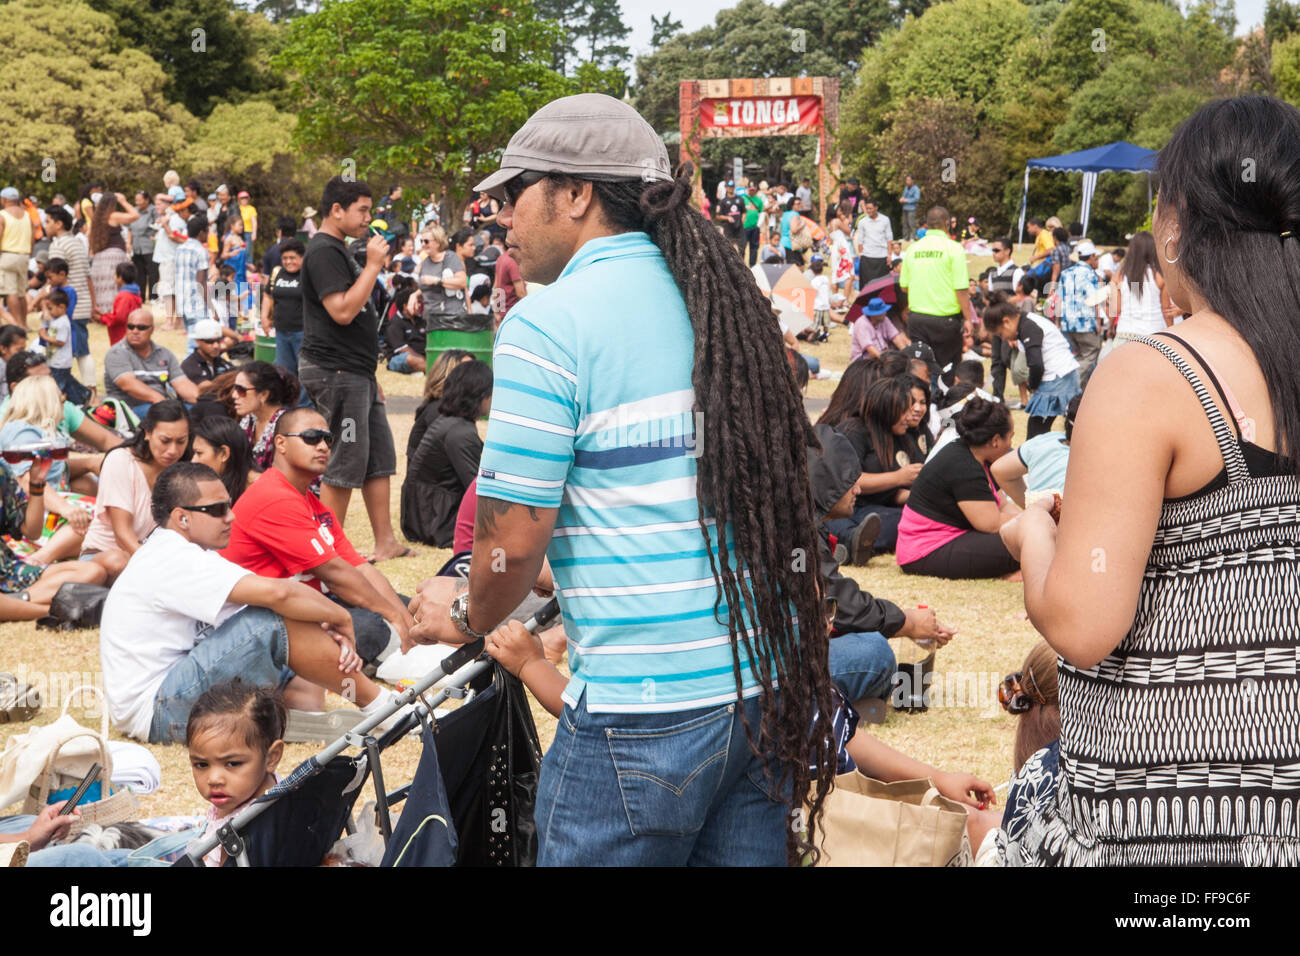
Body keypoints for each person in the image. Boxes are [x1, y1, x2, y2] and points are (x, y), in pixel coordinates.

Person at [405, 95, 838, 866]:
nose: (500, 215)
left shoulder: (547, 322)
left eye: (514, 194)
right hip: (757, 694)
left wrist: (470, 610)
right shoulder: (720, 299)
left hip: (641, 720)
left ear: (576, 194)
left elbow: (510, 535)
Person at [996, 96, 1300, 865]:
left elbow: (1082, 625)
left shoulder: (1155, 371)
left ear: (1175, 220)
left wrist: (1036, 534)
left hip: (1173, 815)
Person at [100, 462, 404, 745]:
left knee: (285, 623)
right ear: (182, 517)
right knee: (272, 620)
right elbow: (279, 595)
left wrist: (323, 619)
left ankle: (295, 714)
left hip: (173, 694)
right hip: (162, 711)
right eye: (218, 510)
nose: (231, 517)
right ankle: (384, 709)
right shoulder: (172, 556)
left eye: (229, 506)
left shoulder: (185, 552)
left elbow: (280, 599)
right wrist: (341, 617)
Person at [221, 407, 415, 668]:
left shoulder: (311, 502)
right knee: (372, 627)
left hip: (311, 605)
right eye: (311, 437)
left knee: (413, 607)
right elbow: (337, 575)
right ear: (281, 443)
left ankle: (407, 649)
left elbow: (359, 568)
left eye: (328, 439)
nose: (323, 446)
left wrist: (406, 620)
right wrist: (394, 618)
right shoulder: (272, 497)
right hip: (267, 619)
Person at [298, 176, 410, 563]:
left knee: (378, 456)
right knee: (345, 458)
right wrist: (374, 266)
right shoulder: (323, 251)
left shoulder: (339, 249)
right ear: (336, 210)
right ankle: (330, 551)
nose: (368, 218)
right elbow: (343, 310)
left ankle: (385, 542)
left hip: (357, 372)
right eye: (362, 210)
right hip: (336, 371)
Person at [896, 396, 1021, 579]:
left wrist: (1030, 519)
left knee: (1032, 537)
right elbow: (991, 524)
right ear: (995, 440)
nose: (1011, 444)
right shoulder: (963, 464)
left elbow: (1001, 504)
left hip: (947, 540)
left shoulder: (978, 457)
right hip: (926, 550)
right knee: (1030, 542)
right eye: (1010, 437)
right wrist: (1033, 522)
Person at [828, 376, 926, 558]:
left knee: (908, 519)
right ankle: (848, 541)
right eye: (903, 411)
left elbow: (892, 494)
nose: (908, 416)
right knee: (836, 521)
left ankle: (854, 544)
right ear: (887, 410)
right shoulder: (854, 430)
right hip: (842, 506)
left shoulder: (901, 437)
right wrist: (898, 477)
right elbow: (848, 481)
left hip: (874, 509)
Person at [80, 400, 190, 560]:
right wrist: (157, 568)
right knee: (116, 561)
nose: (173, 450)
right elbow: (123, 535)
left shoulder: (183, 470)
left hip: (150, 557)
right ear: (147, 433)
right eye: (165, 441)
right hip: (103, 556)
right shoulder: (121, 460)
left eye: (181, 442)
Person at [400, 359, 491, 547]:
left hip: (423, 513)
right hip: (437, 522)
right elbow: (478, 489)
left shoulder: (450, 421)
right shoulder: (460, 432)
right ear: (482, 395)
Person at [982, 301, 1080, 438]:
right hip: (1064, 374)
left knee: (1036, 429)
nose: (1003, 338)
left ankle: (1034, 456)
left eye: (1000, 334)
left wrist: (1033, 385)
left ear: (1006, 322)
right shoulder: (1026, 321)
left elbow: (1036, 364)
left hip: (1057, 377)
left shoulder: (1028, 327)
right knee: (1068, 421)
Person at [899, 206, 975, 385]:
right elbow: (961, 289)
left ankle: (921, 404)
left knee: (919, 368)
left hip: (917, 319)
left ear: (927, 225)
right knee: (947, 370)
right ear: (947, 224)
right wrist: (968, 318)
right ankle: (942, 408)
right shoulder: (954, 249)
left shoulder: (913, 249)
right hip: (945, 320)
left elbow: (904, 286)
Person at [103, 307, 198, 418]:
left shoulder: (164, 354)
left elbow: (182, 383)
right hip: (128, 409)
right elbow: (128, 385)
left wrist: (202, 401)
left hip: (160, 406)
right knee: (167, 416)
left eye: (141, 327)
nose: (135, 331)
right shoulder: (116, 353)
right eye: (130, 327)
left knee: (199, 411)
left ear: (152, 329)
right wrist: (162, 402)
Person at [991, 393, 1080, 508]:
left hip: (1036, 520)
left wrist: (1031, 507)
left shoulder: (1048, 440)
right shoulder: (1093, 462)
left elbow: (1000, 470)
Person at [232, 361, 299, 472]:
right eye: (234, 388)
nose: (234, 395)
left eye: (241, 390)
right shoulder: (248, 420)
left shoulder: (286, 426)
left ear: (264, 395)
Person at [1111, 230, 1170, 343]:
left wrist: (1110, 327)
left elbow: (1115, 309)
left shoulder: (1118, 275)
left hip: (1124, 333)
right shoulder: (1159, 276)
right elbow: (1166, 310)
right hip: (1152, 335)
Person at [258, 237, 306, 375]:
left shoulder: (307, 274)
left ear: (302, 257)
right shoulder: (278, 273)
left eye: (293, 258)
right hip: (282, 332)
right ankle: (289, 397)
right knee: (285, 372)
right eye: (285, 258)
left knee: (303, 373)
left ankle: (303, 398)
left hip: (302, 333)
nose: (288, 262)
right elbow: (268, 295)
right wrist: (264, 317)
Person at [34, 289, 88, 406]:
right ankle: (83, 396)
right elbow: (46, 322)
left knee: (58, 386)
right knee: (67, 383)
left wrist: (45, 337)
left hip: (60, 362)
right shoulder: (55, 319)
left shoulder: (63, 322)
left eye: (51, 308)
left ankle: (59, 403)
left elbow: (60, 341)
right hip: (54, 360)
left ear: (62, 307)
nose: (49, 311)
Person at [191, 414, 254, 503]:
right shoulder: (226, 483)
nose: (193, 461)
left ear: (224, 453)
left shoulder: (258, 489)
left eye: (199, 453)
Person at [418, 224, 470, 327]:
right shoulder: (425, 263)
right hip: (431, 319)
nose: (423, 244)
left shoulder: (451, 258)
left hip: (452, 318)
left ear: (437, 242)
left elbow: (462, 282)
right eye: (421, 241)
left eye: (426, 241)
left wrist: (437, 280)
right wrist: (414, 295)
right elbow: (425, 285)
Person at [0, 187, 33, 328]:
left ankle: (17, 325)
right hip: (24, 256)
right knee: (21, 293)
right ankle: (24, 323)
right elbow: (32, 239)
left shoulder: (2, 215)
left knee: (11, 292)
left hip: (8, 255)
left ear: (4, 199)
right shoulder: (26, 215)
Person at [383, 286, 427, 374]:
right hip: (400, 358)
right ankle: (433, 370)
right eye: (417, 302)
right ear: (405, 306)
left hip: (423, 357)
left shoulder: (421, 321)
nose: (419, 305)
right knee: (411, 358)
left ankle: (423, 367)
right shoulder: (395, 323)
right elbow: (403, 349)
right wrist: (422, 359)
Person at [850, 297, 909, 361]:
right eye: (883, 312)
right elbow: (870, 349)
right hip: (863, 359)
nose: (885, 313)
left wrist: (906, 354)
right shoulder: (862, 324)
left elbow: (896, 337)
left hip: (882, 353)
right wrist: (886, 360)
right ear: (874, 314)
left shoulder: (885, 319)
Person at [853, 199, 893, 285]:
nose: (868, 211)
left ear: (876, 208)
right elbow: (860, 240)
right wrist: (861, 254)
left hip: (882, 256)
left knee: (882, 285)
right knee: (867, 286)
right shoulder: (862, 222)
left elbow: (889, 238)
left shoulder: (885, 220)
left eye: (870, 208)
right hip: (867, 257)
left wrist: (889, 254)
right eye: (867, 209)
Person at [103, 261, 142, 346]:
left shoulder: (124, 296)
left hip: (122, 336)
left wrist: (102, 318)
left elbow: (119, 318)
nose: (114, 277)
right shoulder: (135, 293)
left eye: (115, 274)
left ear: (120, 278)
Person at [715, 181, 746, 256]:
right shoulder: (723, 201)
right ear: (726, 188)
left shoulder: (740, 199)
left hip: (739, 227)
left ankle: (742, 264)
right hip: (728, 227)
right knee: (729, 248)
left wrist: (742, 220)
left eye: (732, 187)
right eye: (729, 187)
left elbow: (744, 212)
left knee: (742, 246)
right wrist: (727, 218)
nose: (731, 188)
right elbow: (718, 216)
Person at [898, 175, 920, 241]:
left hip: (912, 208)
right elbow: (904, 196)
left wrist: (906, 200)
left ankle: (912, 237)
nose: (907, 181)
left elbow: (916, 198)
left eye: (909, 180)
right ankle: (905, 238)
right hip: (905, 208)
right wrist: (901, 199)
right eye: (906, 180)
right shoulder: (906, 188)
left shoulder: (916, 189)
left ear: (912, 181)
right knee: (905, 224)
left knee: (911, 223)